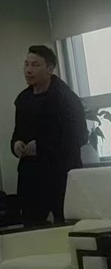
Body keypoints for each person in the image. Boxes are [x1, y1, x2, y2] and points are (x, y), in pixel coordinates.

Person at [12, 45, 87, 226]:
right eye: (26, 64)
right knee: (30, 227)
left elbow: (79, 136)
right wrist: (16, 144)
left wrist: (41, 146)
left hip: (60, 175)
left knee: (65, 225)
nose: (29, 70)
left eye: (35, 65)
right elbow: (18, 132)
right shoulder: (23, 99)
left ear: (50, 68)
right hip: (31, 177)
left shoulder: (66, 98)